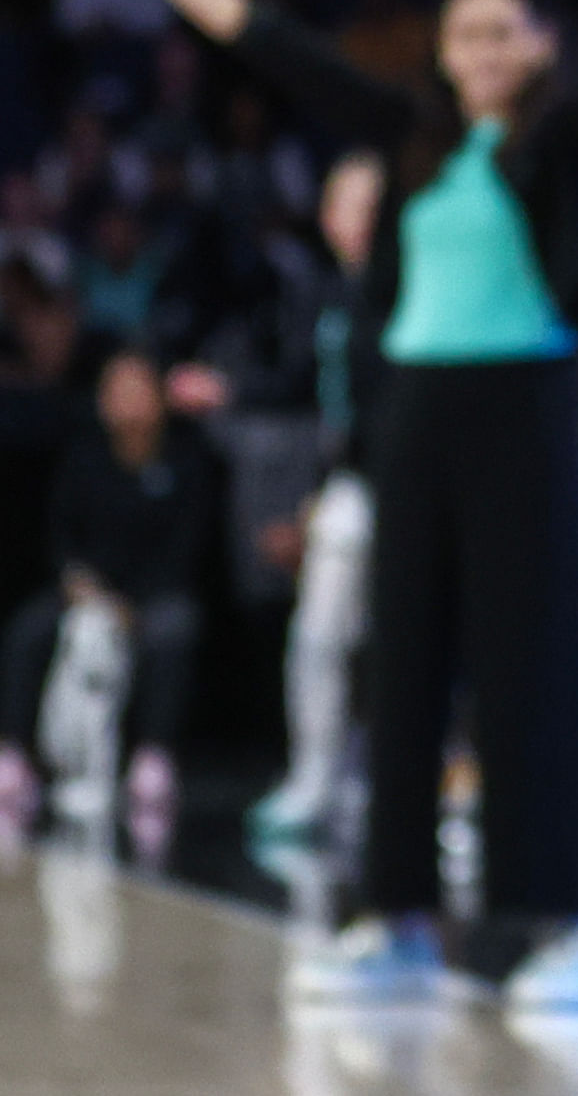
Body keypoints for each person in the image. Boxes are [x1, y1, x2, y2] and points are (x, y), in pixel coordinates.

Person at [125, 0, 578, 1018]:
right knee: (397, 669)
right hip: (415, 408)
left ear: (541, 41)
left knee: (529, 672)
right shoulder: (407, 131)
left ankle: (559, 929)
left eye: (505, 33)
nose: (484, 54)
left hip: (525, 406)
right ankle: (391, 918)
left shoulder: (554, 141)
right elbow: (276, 42)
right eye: (466, 36)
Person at [0, 350, 214, 830]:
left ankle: (154, 758)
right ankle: (14, 753)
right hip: (90, 590)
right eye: (116, 390)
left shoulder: (188, 460)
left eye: (137, 389)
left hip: (156, 593)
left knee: (173, 632)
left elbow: (190, 547)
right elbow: (62, 536)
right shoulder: (84, 458)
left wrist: (132, 604)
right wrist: (81, 583)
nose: (127, 402)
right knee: (28, 630)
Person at [248, 149, 387, 850]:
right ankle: (316, 775)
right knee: (320, 634)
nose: (358, 220)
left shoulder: (414, 290)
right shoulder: (323, 296)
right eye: (345, 205)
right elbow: (303, 393)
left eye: (373, 205)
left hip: (415, 487)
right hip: (348, 487)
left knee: (405, 641)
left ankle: (410, 782)